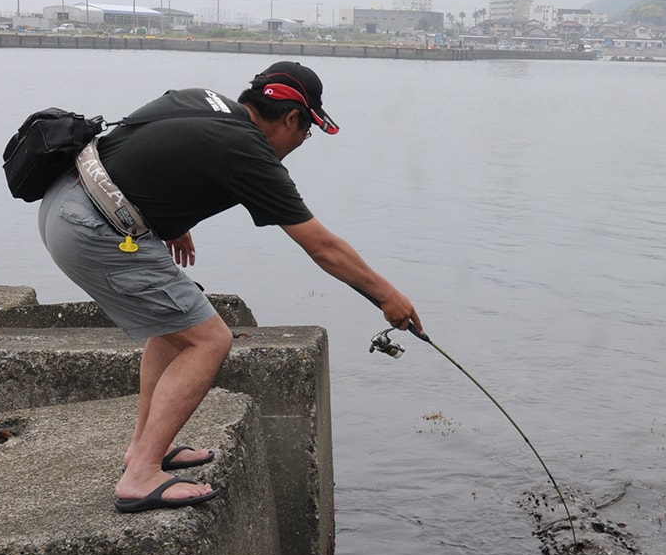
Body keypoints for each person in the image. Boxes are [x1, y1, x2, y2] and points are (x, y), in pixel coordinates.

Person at [38, 61, 423, 513]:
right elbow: (322, 247)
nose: (302, 142)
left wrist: (166, 218)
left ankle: (145, 447)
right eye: (307, 132)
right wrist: (387, 297)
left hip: (66, 200)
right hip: (93, 228)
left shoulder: (204, 101)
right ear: (292, 118)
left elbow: (143, 146)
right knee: (208, 341)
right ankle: (140, 475)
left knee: (175, 324)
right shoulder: (249, 150)